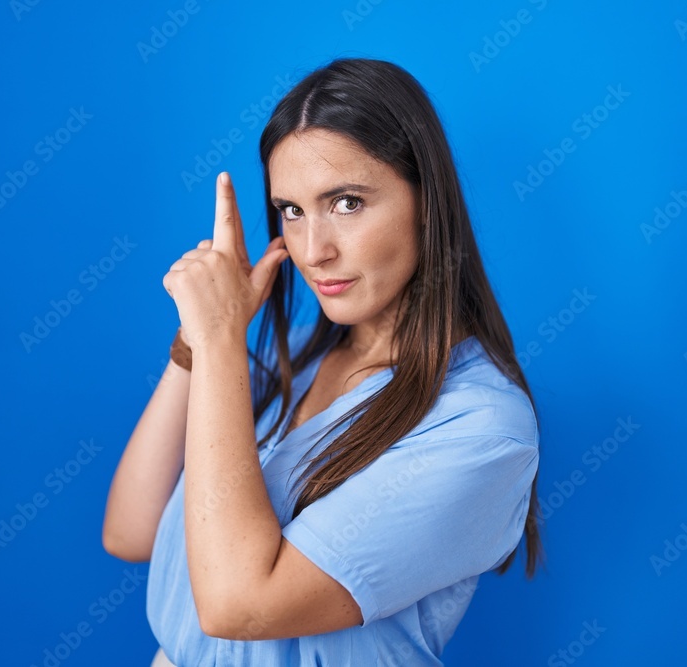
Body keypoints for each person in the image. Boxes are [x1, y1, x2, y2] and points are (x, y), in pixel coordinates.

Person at [102, 56, 543, 666]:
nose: (314, 250)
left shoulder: (481, 429)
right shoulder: (287, 371)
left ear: (426, 201)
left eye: (347, 203)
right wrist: (197, 343)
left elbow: (237, 604)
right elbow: (131, 530)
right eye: (292, 210)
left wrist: (224, 338)